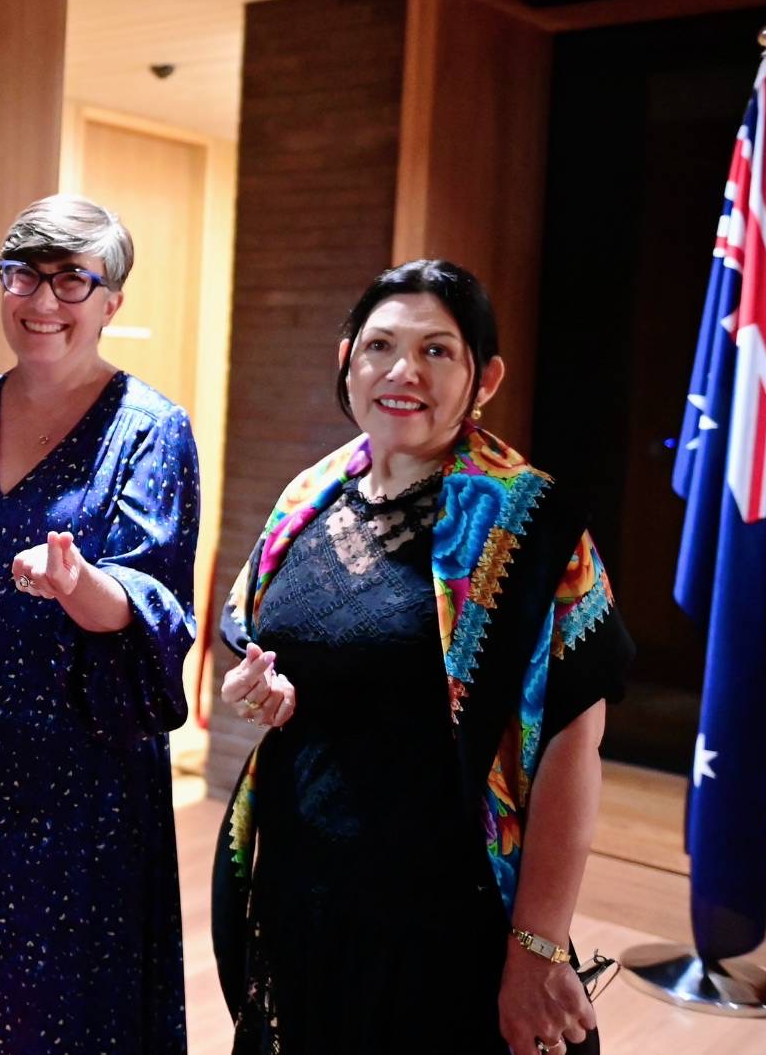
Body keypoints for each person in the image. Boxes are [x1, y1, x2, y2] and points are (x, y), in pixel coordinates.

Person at [211, 259, 633, 1055]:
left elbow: (573, 746)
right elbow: (271, 656)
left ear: (485, 377)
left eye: (436, 350)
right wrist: (257, 690)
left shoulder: (533, 523)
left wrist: (537, 946)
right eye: (380, 346)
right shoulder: (308, 496)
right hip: (301, 893)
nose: (402, 371)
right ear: (347, 360)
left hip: (443, 919)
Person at [0, 194, 200, 1055]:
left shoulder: (149, 428)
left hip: (82, 771)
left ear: (111, 301)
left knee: (61, 1007)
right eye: (22, 275)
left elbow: (154, 607)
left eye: (72, 280)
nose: (43, 301)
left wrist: (78, 584)